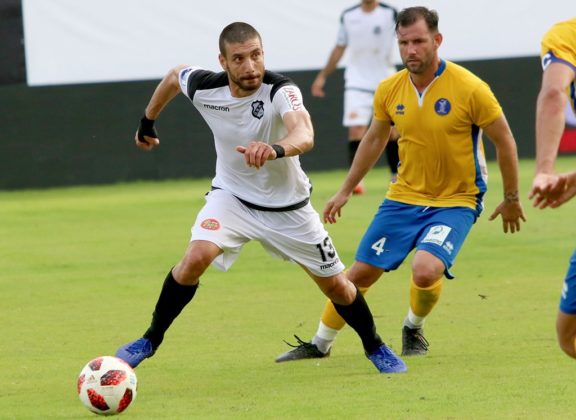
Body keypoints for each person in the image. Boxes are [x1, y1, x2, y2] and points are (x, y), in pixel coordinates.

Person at [114, 22, 407, 374]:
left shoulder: (280, 90)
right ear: (223, 61)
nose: (251, 66)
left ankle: (375, 346)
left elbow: (305, 133)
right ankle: (149, 340)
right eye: (239, 58)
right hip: (232, 199)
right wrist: (147, 120)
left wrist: (275, 148)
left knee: (339, 288)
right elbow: (176, 76)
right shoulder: (206, 87)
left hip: (289, 209)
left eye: (256, 55)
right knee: (194, 258)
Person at [276, 7, 526, 363]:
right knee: (358, 274)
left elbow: (505, 140)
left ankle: (413, 326)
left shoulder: (470, 87)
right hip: (404, 197)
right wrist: (345, 190)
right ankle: (320, 343)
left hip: (457, 199)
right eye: (404, 43)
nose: (411, 50)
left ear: (437, 40)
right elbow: (373, 140)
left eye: (419, 41)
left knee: (425, 270)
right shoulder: (389, 89)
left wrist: (512, 197)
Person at [311, 0, 400, 194]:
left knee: (393, 131)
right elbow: (339, 47)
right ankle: (357, 181)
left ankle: (396, 175)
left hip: (387, 81)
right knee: (355, 130)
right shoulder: (349, 15)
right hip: (357, 82)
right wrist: (322, 76)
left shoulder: (390, 13)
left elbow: (405, 38)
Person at [528, 18, 576, 359]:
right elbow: (554, 94)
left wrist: (545, 169)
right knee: (568, 337)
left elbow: (554, 93)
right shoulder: (567, 36)